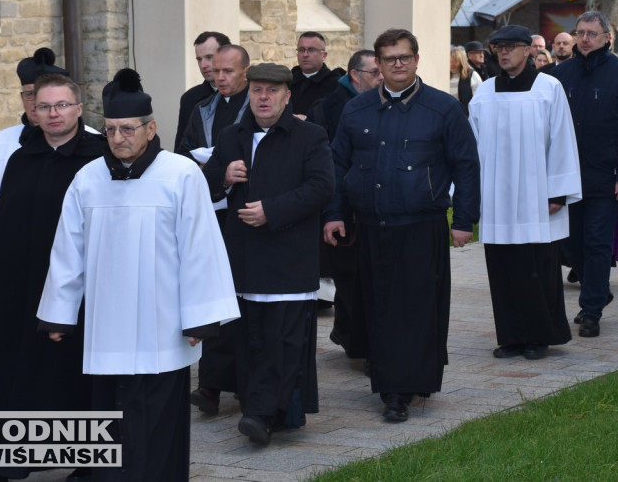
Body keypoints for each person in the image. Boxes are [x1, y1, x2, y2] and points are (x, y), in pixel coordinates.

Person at [37, 68, 240, 482]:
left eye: (128, 129)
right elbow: (67, 251)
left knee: (159, 418)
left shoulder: (180, 175)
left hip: (162, 327)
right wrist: (59, 312)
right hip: (106, 328)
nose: (117, 138)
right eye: (110, 130)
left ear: (151, 128)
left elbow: (201, 248)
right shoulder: (87, 180)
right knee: (111, 420)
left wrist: (201, 316)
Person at [0, 74, 105, 482]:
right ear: (33, 112)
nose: (53, 114)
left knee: (69, 374)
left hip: (74, 288)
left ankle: (87, 464)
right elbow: (4, 218)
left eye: (62, 106)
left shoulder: (97, 158)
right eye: (44, 107)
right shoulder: (21, 156)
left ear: (78, 109)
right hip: (12, 287)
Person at [324, 28, 480, 423]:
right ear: (376, 63)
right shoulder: (357, 110)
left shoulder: (443, 108)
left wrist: (464, 220)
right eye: (390, 58)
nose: (398, 64)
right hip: (371, 226)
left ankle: (406, 387)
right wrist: (335, 213)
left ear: (416, 59)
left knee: (417, 308)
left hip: (421, 224)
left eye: (405, 57)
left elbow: (467, 165)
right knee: (378, 307)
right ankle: (392, 383)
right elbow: (338, 166)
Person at [203, 63, 334, 444]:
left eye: (271, 91)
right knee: (252, 340)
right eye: (257, 90)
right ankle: (261, 413)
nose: (263, 97)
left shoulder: (310, 136)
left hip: (288, 258)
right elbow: (206, 184)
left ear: (286, 96)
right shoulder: (232, 136)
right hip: (244, 259)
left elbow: (322, 187)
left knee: (284, 341)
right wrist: (224, 177)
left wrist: (272, 211)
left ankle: (265, 414)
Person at [468, 24, 579, 361]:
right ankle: (511, 336)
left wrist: (558, 191)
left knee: (538, 267)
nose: (503, 53)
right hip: (497, 196)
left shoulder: (549, 88)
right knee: (502, 268)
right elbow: (471, 147)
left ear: (529, 49)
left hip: (537, 194)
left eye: (511, 46)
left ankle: (540, 335)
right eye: (498, 47)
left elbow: (561, 138)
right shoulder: (485, 93)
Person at [551, 12, 618, 339]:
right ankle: (598, 288)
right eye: (581, 33)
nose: (586, 39)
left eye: (592, 33)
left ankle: (591, 310)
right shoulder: (560, 74)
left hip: (606, 177)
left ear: (608, 36)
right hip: (568, 177)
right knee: (570, 244)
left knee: (596, 243)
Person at [177, 44, 250, 416]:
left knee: (241, 300)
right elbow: (185, 156)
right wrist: (214, 172)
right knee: (213, 296)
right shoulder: (201, 109)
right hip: (211, 212)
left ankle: (244, 384)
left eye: (227, 71)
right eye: (215, 71)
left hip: (247, 215)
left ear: (245, 72)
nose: (219, 77)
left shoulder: (258, 107)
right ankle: (210, 385)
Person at [307, 50, 382, 359]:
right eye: (375, 72)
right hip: (345, 207)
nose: (382, 77)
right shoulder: (329, 108)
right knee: (350, 280)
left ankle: (354, 333)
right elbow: (330, 162)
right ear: (356, 76)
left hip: (376, 208)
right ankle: (355, 338)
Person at [0, 47, 68, 260]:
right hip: (13, 246)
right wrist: (6, 214)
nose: (38, 103)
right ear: (22, 98)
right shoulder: (0, 142)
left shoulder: (91, 141)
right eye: (30, 94)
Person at [174, 31, 230, 152]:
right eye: (199, 59)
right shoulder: (189, 99)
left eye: (209, 57)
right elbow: (181, 150)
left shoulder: (251, 95)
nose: (203, 65)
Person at [290, 31, 343, 117]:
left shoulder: (335, 85)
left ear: (324, 55)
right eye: (301, 50)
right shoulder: (288, 81)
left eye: (311, 50)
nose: (305, 54)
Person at [449, 44, 482, 115]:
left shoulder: (472, 75)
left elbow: (479, 99)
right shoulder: (446, 77)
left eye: (454, 62)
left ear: (461, 61)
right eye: (449, 62)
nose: (451, 65)